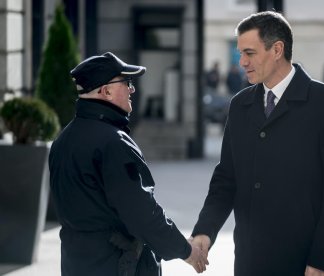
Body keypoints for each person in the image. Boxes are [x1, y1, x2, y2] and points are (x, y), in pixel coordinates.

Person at [191, 11, 324, 276]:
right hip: (251, 262)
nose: (242, 62)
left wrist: (323, 262)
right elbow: (226, 179)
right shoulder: (239, 106)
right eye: (240, 53)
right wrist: (204, 231)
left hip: (307, 264)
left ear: (277, 49)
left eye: (249, 53)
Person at [49, 52, 208, 276]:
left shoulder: (63, 139)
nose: (132, 89)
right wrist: (186, 251)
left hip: (78, 264)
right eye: (126, 82)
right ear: (106, 91)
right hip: (117, 266)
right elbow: (142, 213)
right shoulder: (113, 143)